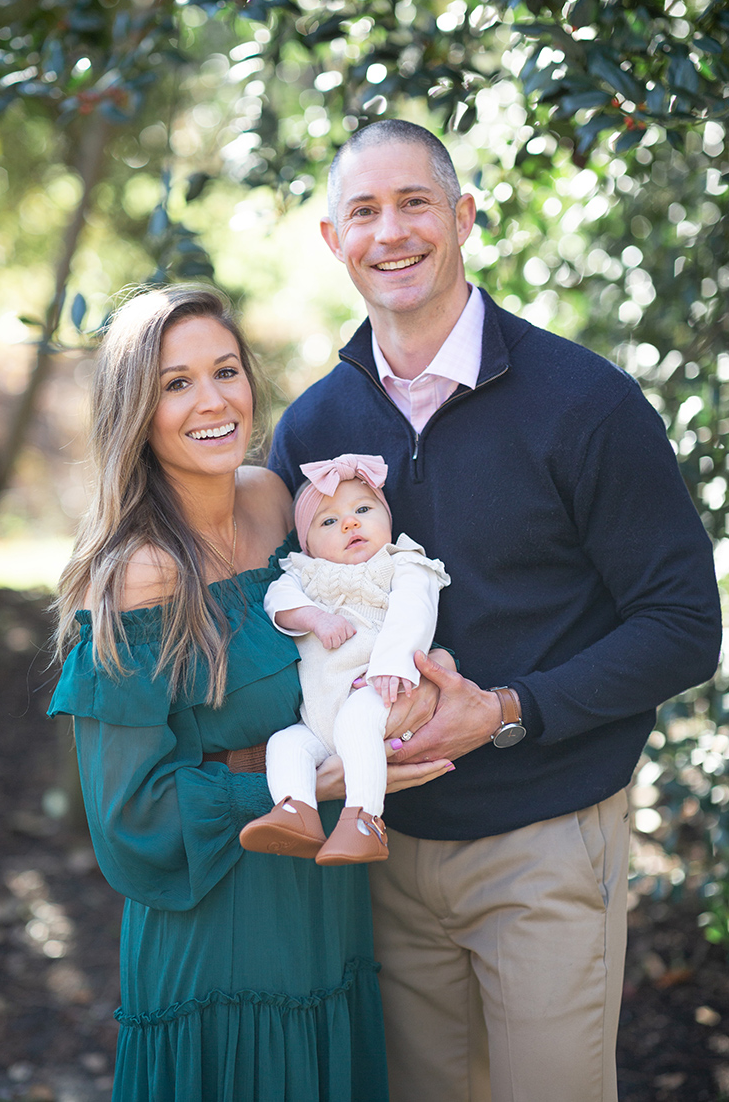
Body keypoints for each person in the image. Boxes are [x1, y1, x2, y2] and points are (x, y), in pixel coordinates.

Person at [268, 119, 723, 1102]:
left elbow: (686, 624)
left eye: (415, 203)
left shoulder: (586, 404)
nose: (391, 233)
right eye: (364, 211)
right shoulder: (312, 428)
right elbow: (270, 610)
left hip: (544, 837)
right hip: (382, 847)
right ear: (332, 240)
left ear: (465, 217)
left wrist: (508, 709)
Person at [48, 284, 453, 1102]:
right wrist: (317, 782)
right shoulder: (139, 574)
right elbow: (131, 819)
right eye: (176, 382)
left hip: (324, 901)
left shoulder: (274, 502)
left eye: (225, 370)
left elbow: (346, 629)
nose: (213, 399)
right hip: (217, 917)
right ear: (137, 411)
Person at [240, 452, 450, 865]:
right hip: (319, 714)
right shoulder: (304, 573)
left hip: (379, 689)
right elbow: (277, 600)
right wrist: (314, 617)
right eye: (329, 521)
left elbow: (414, 612)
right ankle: (296, 810)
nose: (350, 523)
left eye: (363, 509)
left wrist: (392, 665)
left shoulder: (402, 563)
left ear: (387, 519)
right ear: (308, 543)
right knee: (287, 744)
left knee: (357, 725)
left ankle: (366, 819)